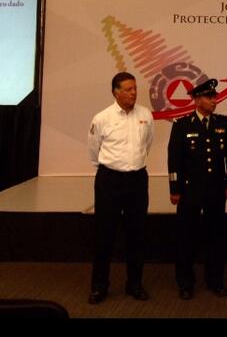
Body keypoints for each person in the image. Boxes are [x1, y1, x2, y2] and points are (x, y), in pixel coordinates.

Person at [87, 72, 154, 304]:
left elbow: (147, 144)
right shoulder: (102, 118)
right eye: (128, 89)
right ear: (116, 92)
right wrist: (112, 169)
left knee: (137, 234)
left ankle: (134, 284)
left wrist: (132, 166)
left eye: (135, 88)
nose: (133, 93)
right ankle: (99, 286)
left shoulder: (145, 115)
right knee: (104, 235)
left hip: (137, 180)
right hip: (110, 180)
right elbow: (93, 151)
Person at [167, 78, 227, 299]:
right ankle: (185, 282)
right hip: (190, 190)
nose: (214, 100)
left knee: (216, 236)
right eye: (209, 97)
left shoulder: (223, 123)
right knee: (186, 236)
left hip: (216, 189)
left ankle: (215, 280)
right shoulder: (182, 125)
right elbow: (174, 159)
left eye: (214, 96)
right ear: (197, 100)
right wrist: (175, 188)